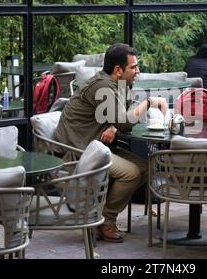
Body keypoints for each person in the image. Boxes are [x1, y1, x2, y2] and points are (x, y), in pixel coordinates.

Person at [54, 43, 168, 243]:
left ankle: (101, 216)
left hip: (97, 146)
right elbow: (124, 120)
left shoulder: (119, 84)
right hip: (77, 150)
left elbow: (122, 119)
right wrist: (148, 102)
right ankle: (105, 221)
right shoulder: (103, 85)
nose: (138, 71)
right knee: (131, 173)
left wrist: (114, 126)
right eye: (133, 67)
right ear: (118, 69)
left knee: (145, 167)